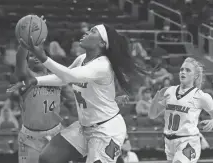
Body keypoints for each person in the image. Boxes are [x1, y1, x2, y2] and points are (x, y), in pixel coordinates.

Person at [11, 23, 152, 163]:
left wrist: (44, 58)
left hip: (106, 130)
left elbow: (69, 76)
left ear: (102, 43)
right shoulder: (82, 59)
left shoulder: (102, 65)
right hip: (84, 127)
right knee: (48, 158)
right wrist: (35, 81)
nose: (87, 33)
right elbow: (63, 78)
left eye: (93, 31)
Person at [148, 57, 213, 163]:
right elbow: (152, 115)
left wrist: (212, 122)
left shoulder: (200, 96)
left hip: (188, 141)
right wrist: (156, 98)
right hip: (169, 142)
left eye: (188, 70)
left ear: (196, 75)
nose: (183, 72)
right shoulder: (170, 91)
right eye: (182, 69)